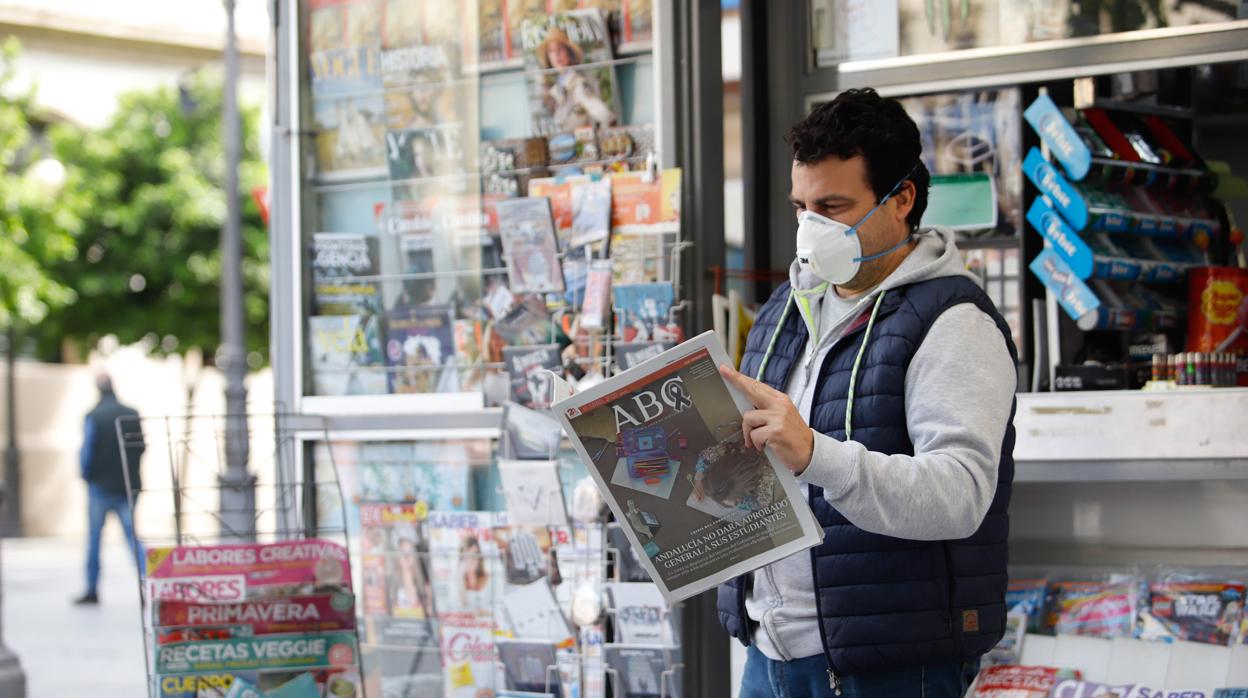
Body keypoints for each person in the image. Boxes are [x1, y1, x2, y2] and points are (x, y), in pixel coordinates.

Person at [716, 88, 1017, 696]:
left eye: (832, 207)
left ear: (901, 199)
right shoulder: (785, 309)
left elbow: (960, 495)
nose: (811, 229)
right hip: (768, 654)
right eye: (801, 208)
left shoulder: (952, 322)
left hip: (886, 667)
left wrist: (815, 455)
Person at [75, 373, 145, 605]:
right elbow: (141, 447)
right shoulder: (131, 413)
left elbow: (87, 451)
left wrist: (86, 476)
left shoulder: (94, 415)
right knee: (132, 538)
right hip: (127, 485)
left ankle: (91, 589)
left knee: (94, 540)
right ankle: (149, 583)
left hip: (100, 487)